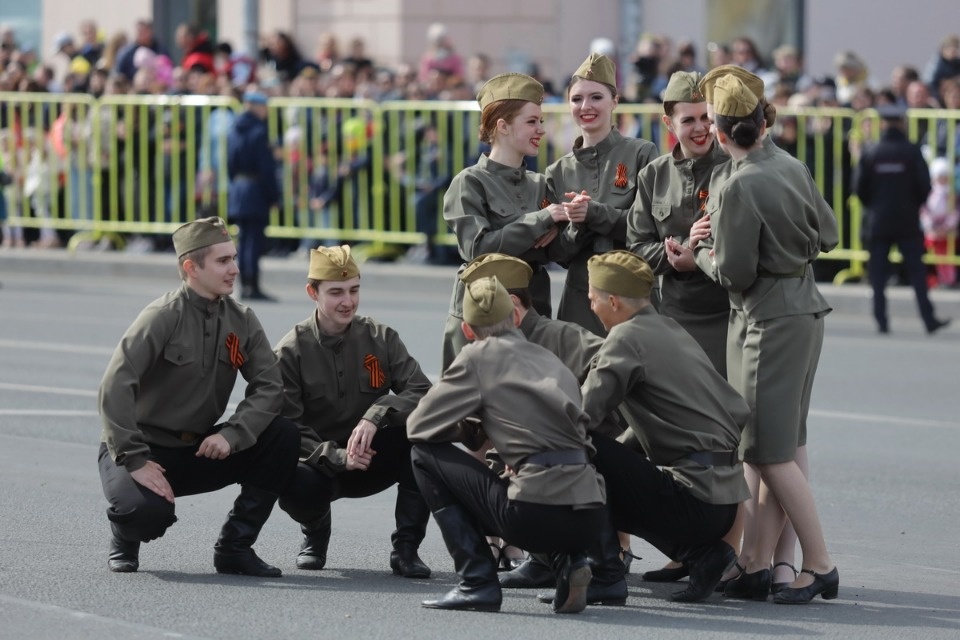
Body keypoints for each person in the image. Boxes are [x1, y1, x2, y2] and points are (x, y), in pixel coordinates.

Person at [695, 75, 840, 604]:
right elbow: (829, 234)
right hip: (802, 306)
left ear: (719, 128)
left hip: (766, 317)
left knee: (765, 450)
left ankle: (819, 563)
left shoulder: (738, 183)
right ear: (761, 123)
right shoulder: (788, 165)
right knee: (778, 444)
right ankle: (758, 560)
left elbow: (733, 271)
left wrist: (700, 256)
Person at [97, 216, 300, 576]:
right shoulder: (161, 317)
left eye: (234, 258)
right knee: (145, 515)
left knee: (282, 435)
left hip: (199, 449)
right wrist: (135, 459)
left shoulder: (241, 320)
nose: (235, 269)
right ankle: (125, 535)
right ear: (191, 267)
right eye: (223, 261)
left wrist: (233, 434)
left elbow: (270, 387)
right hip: (143, 449)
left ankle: (235, 547)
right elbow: (115, 385)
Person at [407, 276, 608, 613]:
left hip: (534, 514)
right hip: (590, 515)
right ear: (516, 317)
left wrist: (471, 420)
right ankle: (570, 561)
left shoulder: (477, 356)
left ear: (468, 331)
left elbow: (419, 426)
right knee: (552, 468)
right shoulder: (549, 359)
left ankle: (476, 581)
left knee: (423, 455)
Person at [578, 250, 751, 603]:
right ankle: (701, 555)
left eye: (593, 299)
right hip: (722, 502)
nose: (591, 307)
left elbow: (582, 416)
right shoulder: (668, 327)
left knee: (579, 450)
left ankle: (605, 574)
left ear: (613, 301)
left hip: (694, 501)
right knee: (605, 456)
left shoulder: (625, 338)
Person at [274, 245, 433, 578]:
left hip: (373, 457)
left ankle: (406, 549)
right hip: (321, 466)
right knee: (291, 481)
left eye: (354, 290)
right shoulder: (291, 351)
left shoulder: (381, 337)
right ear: (312, 293)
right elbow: (287, 427)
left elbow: (421, 392)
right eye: (336, 292)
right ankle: (315, 531)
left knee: (425, 439)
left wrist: (377, 414)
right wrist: (336, 457)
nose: (348, 301)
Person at [440, 72, 569, 369]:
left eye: (541, 121)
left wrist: (572, 220)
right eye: (531, 121)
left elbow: (557, 253)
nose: (541, 129)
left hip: (531, 313)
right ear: (502, 126)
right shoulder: (470, 183)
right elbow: (479, 250)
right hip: (480, 317)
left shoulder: (539, 184)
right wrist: (542, 220)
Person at [545, 53, 658, 336]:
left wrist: (595, 213)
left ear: (615, 101)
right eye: (576, 99)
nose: (586, 106)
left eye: (596, 97)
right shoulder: (557, 171)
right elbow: (556, 252)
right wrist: (575, 227)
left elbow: (650, 227)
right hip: (580, 297)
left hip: (632, 295)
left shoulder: (642, 153)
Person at [628, 70, 730, 376]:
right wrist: (678, 256)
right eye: (688, 120)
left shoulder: (734, 167)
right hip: (676, 316)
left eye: (706, 118)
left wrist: (698, 258)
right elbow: (637, 248)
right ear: (669, 123)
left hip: (729, 312)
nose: (700, 129)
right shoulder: (654, 176)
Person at [854, 104, 950, 334]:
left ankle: (881, 320)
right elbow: (925, 186)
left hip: (878, 220)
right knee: (917, 272)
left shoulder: (872, 151)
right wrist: (912, 205)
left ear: (883, 123)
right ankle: (928, 319)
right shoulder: (911, 151)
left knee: (877, 273)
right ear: (902, 123)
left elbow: (858, 187)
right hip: (906, 220)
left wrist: (875, 206)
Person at [227, 89, 279, 302]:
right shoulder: (259, 131)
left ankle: (243, 284)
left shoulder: (234, 129)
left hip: (239, 188)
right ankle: (253, 285)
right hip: (255, 189)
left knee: (243, 239)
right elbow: (266, 169)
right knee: (254, 241)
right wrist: (273, 195)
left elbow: (230, 163)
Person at [920, 157, 959, 288]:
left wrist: (946, 227)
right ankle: (936, 277)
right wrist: (931, 226)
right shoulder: (930, 194)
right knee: (934, 257)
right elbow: (925, 211)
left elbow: (954, 212)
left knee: (947, 257)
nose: (942, 180)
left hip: (947, 232)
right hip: (933, 231)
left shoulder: (951, 195)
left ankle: (949, 279)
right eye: (939, 177)